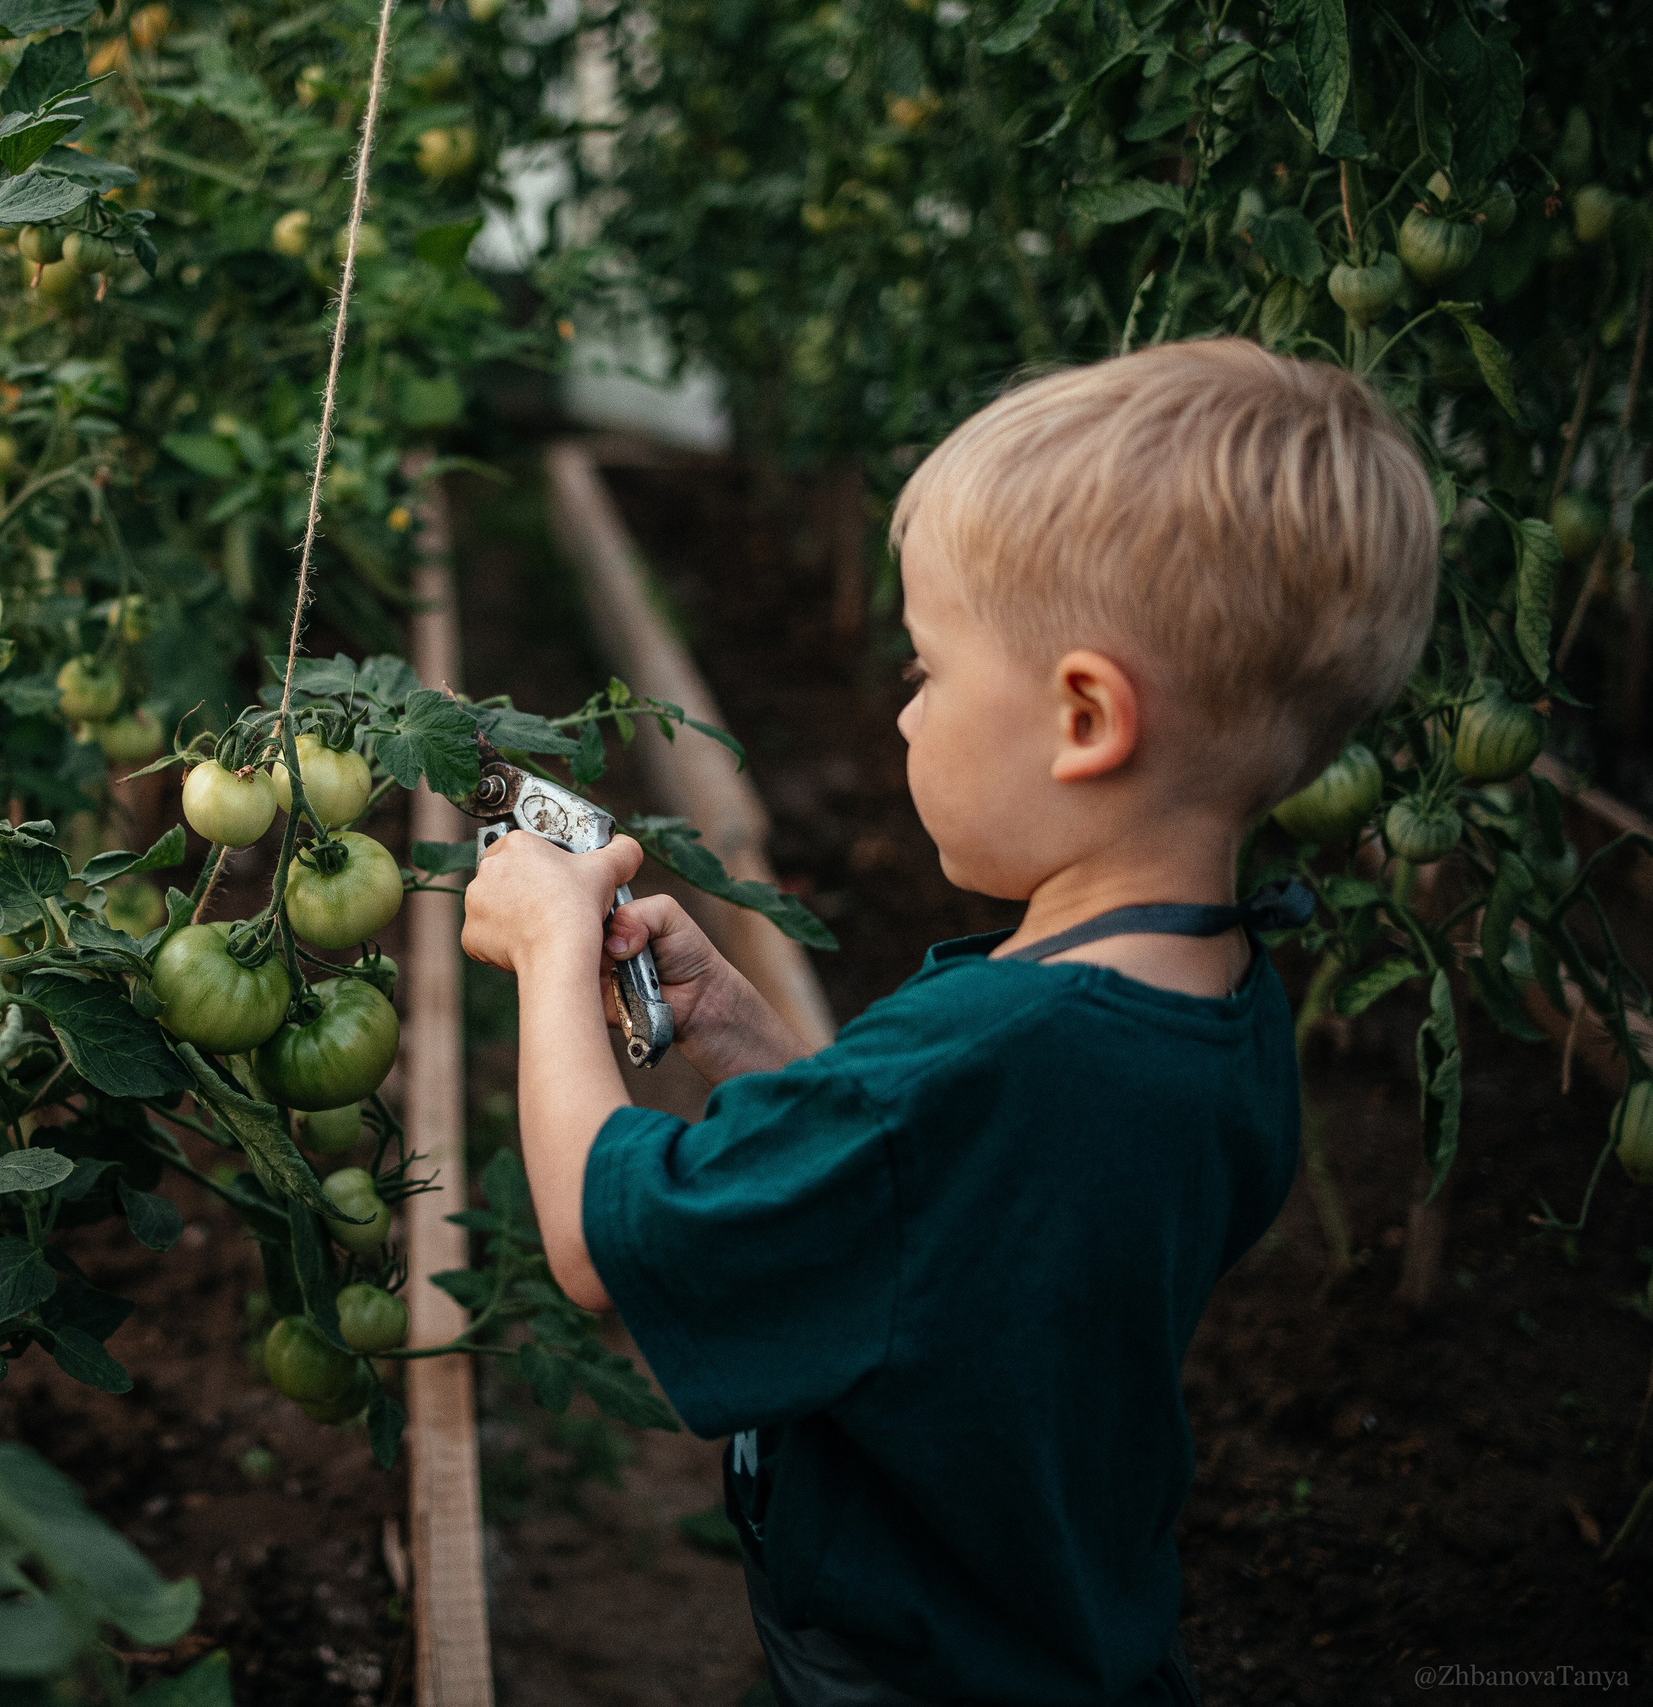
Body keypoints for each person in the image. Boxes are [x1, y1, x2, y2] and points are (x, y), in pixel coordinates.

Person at [458, 339, 1437, 1707]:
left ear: (1085, 716)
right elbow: (953, 1210)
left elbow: (601, 1241)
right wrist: (736, 1031)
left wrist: (549, 953)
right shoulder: (1218, 996)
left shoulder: (984, 1057)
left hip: (917, 1670)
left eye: (927, 671)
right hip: (1074, 1633)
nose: (907, 716)